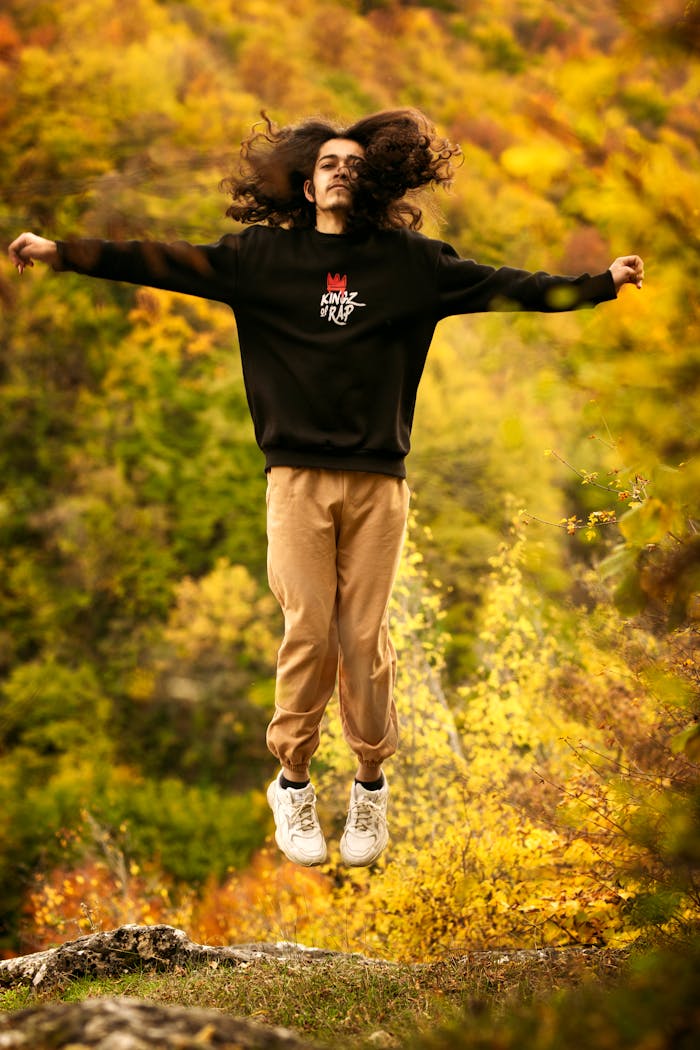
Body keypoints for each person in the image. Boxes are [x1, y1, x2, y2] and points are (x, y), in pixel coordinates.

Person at [8, 108, 644, 870]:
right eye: (328, 162)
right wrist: (60, 252)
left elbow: (510, 289)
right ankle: (294, 781)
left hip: (379, 482)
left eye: (353, 162)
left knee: (362, 640)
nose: (341, 168)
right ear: (306, 185)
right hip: (297, 481)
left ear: (367, 180)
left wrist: (598, 285)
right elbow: (158, 260)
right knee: (309, 629)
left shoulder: (413, 265)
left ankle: (370, 785)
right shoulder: (259, 260)